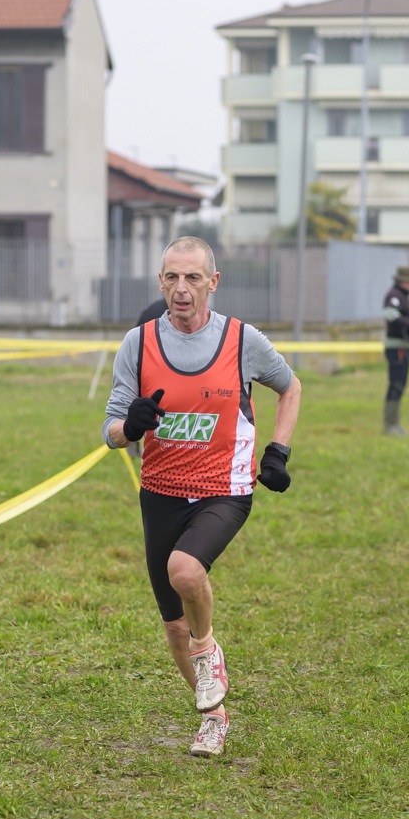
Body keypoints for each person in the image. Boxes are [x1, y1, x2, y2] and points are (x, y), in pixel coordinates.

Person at [103, 237, 302, 758]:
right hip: (160, 491)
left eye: (192, 277)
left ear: (213, 282)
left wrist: (278, 451)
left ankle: (207, 649)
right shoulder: (138, 343)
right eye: (172, 277)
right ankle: (213, 717)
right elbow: (110, 431)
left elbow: (290, 386)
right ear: (160, 282)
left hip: (223, 489)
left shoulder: (242, 340)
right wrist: (131, 425)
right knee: (173, 626)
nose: (181, 289)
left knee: (186, 571)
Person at [381, 266, 409, 436]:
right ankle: (391, 425)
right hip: (397, 347)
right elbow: (391, 315)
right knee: (396, 384)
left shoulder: (402, 296)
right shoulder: (395, 296)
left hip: (404, 346)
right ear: (404, 281)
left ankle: (394, 424)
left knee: (400, 384)